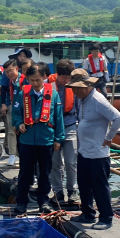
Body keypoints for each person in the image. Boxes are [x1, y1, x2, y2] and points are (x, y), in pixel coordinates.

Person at [68, 69, 120, 230]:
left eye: (76, 88)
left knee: (99, 186)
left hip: (98, 153)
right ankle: (87, 212)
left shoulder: (98, 99)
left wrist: (109, 138)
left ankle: (106, 217)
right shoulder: (82, 100)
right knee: (84, 183)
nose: (74, 91)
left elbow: (118, 118)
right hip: (84, 150)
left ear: (85, 86)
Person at [12, 64, 65, 214]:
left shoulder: (53, 95)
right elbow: (16, 113)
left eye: (37, 80)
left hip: (46, 139)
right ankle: (22, 201)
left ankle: (44, 201)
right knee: (25, 173)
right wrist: (19, 123)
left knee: (45, 173)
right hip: (27, 140)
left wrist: (58, 139)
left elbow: (58, 117)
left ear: (44, 77)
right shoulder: (23, 94)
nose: (35, 83)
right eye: (31, 80)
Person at [49, 59, 80, 205]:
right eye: (64, 77)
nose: (66, 80)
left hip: (70, 126)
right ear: (57, 75)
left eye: (69, 77)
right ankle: (58, 192)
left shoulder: (74, 87)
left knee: (71, 161)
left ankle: (72, 191)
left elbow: (79, 108)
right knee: (55, 163)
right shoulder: (48, 86)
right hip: (53, 129)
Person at [2, 58, 26, 166]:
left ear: (17, 69)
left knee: (22, 132)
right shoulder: (11, 82)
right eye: (6, 72)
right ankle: (12, 154)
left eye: (11, 70)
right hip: (12, 107)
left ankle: (22, 156)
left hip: (24, 109)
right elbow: (6, 92)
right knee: (11, 131)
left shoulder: (24, 80)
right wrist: (6, 104)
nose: (9, 74)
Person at [2, 48, 33, 112]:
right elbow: (3, 88)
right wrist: (3, 104)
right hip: (12, 103)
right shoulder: (8, 70)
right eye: (20, 55)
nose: (22, 58)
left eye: (24, 56)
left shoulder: (28, 71)